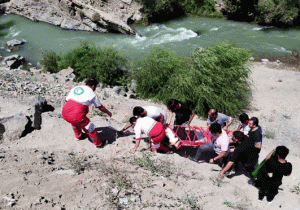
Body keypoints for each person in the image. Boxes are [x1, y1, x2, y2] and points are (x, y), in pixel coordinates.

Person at [62, 78, 112, 148]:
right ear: (94, 86)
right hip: (77, 115)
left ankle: (79, 136)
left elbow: (66, 100)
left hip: (65, 112)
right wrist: (107, 112)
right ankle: (99, 144)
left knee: (74, 122)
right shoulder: (92, 93)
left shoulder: (76, 88)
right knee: (91, 128)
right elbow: (99, 106)